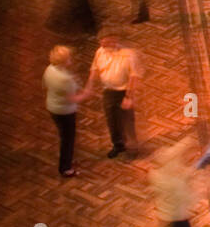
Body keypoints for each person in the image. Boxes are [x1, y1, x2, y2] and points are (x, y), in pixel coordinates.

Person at [83, 33, 142, 159]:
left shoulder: (129, 54)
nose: (103, 46)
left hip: (124, 92)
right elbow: (95, 69)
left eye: (106, 42)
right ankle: (118, 145)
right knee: (112, 121)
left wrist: (129, 97)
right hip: (108, 92)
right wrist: (90, 85)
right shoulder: (100, 52)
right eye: (101, 43)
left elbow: (134, 76)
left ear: (115, 39)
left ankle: (132, 148)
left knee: (127, 122)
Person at [149, 139, 201, 227]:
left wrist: (188, 141)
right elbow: (185, 193)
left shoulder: (155, 175)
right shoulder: (171, 182)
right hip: (176, 213)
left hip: (166, 213)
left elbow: (175, 150)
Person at [43, 44, 89, 178]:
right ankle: (66, 168)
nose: (71, 60)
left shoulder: (49, 69)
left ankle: (67, 161)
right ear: (64, 60)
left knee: (65, 136)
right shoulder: (64, 79)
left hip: (52, 107)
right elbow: (73, 98)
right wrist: (87, 93)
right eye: (69, 58)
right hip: (64, 111)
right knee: (68, 139)